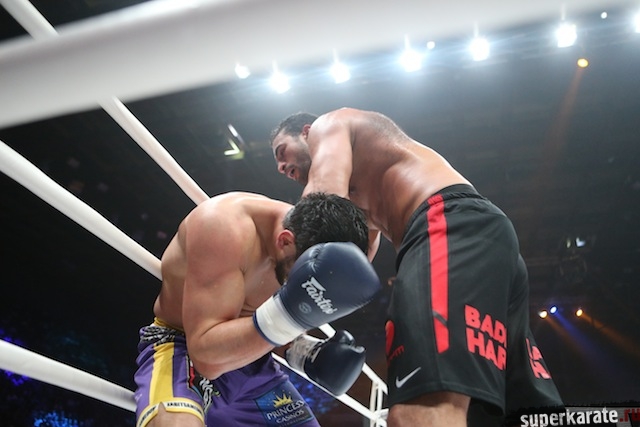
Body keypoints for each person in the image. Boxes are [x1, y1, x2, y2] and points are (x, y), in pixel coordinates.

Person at [270, 108, 563, 426]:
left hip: (446, 223)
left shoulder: (330, 124)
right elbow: (353, 261)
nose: (281, 167)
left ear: (306, 131)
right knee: (506, 411)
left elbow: (320, 202)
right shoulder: (359, 192)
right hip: (476, 235)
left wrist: (278, 307)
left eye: (282, 152)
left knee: (418, 412)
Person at [134, 191, 382, 427]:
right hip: (183, 348)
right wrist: (288, 316)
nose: (299, 283)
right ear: (285, 240)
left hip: (253, 362)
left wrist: (305, 353)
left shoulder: (307, 242)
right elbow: (206, 358)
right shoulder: (223, 228)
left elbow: (264, 325)